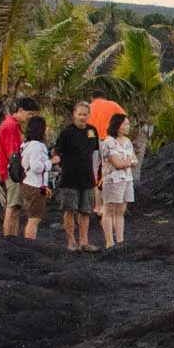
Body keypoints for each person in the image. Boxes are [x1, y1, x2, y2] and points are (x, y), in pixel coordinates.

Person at [52, 101, 102, 252]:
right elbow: (58, 152)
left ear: (89, 115)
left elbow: (95, 152)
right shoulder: (67, 133)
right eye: (79, 114)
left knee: (86, 211)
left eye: (85, 114)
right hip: (70, 178)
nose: (82, 117)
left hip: (87, 178)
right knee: (70, 210)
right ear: (74, 114)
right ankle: (71, 241)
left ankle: (84, 241)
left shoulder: (92, 131)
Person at [0, 96, 39, 237]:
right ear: (20, 110)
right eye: (29, 114)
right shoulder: (11, 126)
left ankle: (12, 237)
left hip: (13, 170)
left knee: (16, 206)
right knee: (13, 205)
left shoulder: (14, 125)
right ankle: (8, 237)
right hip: (12, 171)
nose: (30, 118)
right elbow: (13, 154)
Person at [98, 112, 136, 249]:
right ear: (118, 125)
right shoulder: (108, 142)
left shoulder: (127, 141)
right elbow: (117, 163)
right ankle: (109, 241)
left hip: (126, 179)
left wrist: (127, 162)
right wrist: (127, 162)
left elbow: (133, 160)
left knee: (121, 210)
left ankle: (120, 240)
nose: (128, 126)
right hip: (113, 180)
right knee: (109, 210)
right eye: (125, 124)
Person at [17, 115, 52, 240]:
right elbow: (36, 167)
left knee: (32, 216)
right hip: (34, 185)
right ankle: (29, 242)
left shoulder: (26, 145)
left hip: (30, 183)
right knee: (34, 218)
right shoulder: (37, 146)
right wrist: (49, 163)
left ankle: (29, 241)